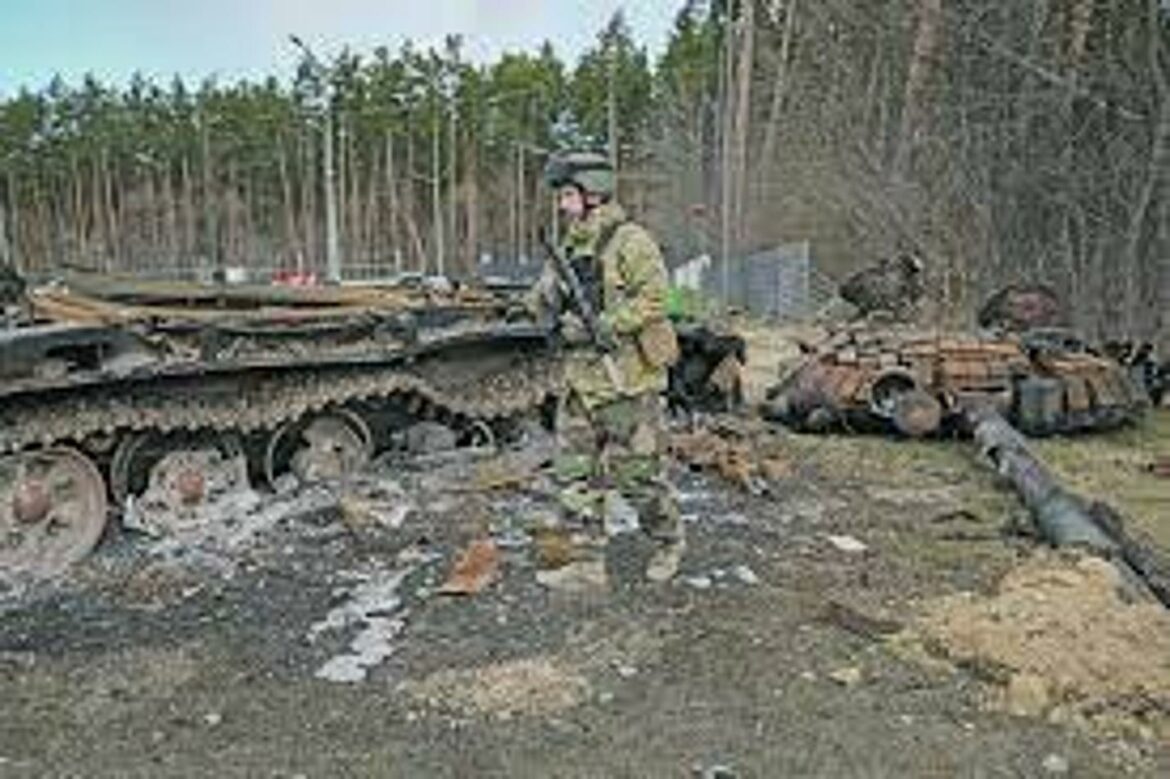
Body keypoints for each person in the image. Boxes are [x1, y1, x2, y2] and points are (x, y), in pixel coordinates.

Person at [529, 151, 684, 583]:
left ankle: (669, 541)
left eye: (566, 195)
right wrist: (542, 304)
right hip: (580, 383)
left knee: (638, 478)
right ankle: (583, 563)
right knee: (575, 475)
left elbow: (655, 300)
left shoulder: (631, 241)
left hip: (626, 381)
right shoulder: (567, 247)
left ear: (592, 193)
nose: (561, 205)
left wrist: (604, 324)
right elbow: (544, 297)